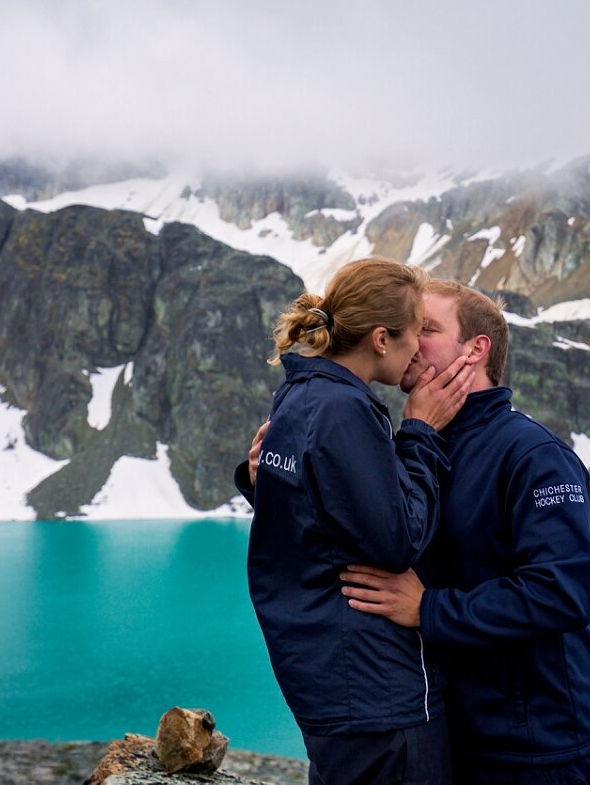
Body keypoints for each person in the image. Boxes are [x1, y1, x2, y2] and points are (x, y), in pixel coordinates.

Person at [338, 280, 590, 785]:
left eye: (428, 329)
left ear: (475, 349)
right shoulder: (412, 447)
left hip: (539, 751)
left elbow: (560, 594)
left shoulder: (534, 457)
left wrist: (428, 608)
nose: (409, 339)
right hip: (448, 735)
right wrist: (266, 481)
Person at [233, 258, 475, 785]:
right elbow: (399, 541)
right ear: (382, 339)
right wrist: (420, 433)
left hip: (326, 681)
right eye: (415, 333)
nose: (418, 348)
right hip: (376, 693)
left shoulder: (299, 393)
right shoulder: (345, 408)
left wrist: (255, 481)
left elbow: (310, 511)